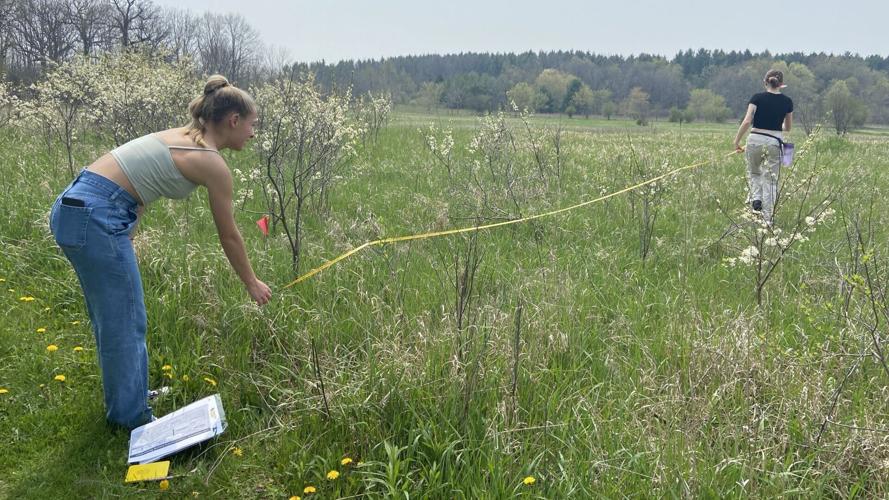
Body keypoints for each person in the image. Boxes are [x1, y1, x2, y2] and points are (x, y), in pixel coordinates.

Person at [49, 75, 272, 430]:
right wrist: (251, 282)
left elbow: (135, 188)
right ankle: (131, 417)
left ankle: (130, 397)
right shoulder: (210, 160)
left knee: (116, 317)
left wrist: (126, 237)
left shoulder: (183, 135)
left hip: (78, 209)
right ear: (233, 120)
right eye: (252, 125)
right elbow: (229, 235)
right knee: (125, 320)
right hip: (96, 216)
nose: (253, 133)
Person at [733, 69, 794, 222]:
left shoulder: (756, 98)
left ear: (765, 82)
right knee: (771, 180)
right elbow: (787, 128)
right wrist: (774, 123)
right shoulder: (787, 102)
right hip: (775, 142)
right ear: (781, 84)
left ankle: (756, 199)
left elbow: (747, 121)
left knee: (754, 173)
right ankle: (768, 219)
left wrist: (737, 141)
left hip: (754, 140)